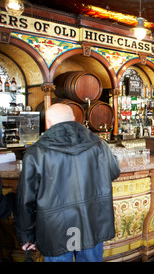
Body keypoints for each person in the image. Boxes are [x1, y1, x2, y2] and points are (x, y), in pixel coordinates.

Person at [15, 104, 121, 262]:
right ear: (73, 119)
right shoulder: (99, 145)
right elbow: (114, 172)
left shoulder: (35, 153)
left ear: (48, 123)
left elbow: (25, 201)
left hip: (56, 229)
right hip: (91, 222)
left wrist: (26, 235)